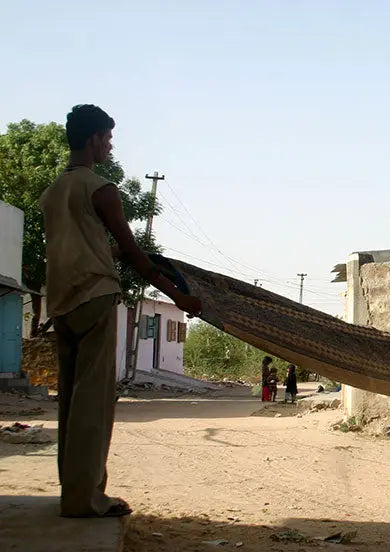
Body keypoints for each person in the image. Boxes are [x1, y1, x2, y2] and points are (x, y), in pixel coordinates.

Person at [40, 104, 202, 518]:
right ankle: (86, 498)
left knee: (70, 403)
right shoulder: (102, 190)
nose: (110, 145)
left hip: (60, 301)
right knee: (93, 403)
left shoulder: (53, 192)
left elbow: (83, 243)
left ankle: (70, 490)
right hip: (95, 297)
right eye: (108, 137)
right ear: (94, 138)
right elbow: (135, 258)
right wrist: (178, 297)